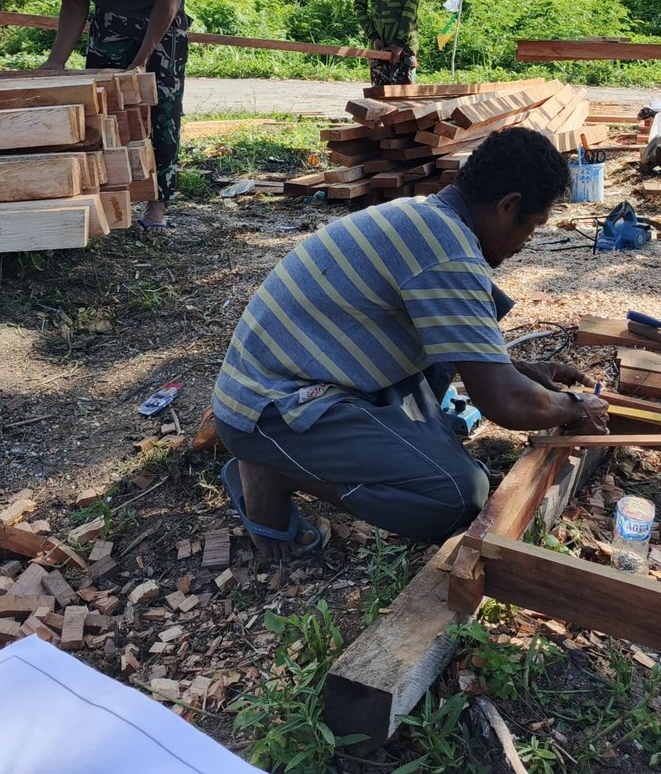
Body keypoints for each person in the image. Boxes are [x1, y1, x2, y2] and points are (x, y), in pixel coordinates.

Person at [210, 128, 609, 559]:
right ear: (508, 206)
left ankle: (324, 456)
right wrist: (573, 406)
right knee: (459, 496)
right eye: (533, 226)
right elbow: (503, 403)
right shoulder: (447, 253)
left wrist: (518, 371)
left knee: (453, 350)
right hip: (269, 407)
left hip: (291, 382)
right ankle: (275, 470)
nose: (527, 240)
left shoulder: (427, 217)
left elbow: (464, 342)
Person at [0, 0, 187, 229]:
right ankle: (109, 197)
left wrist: (142, 58)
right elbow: (73, 2)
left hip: (159, 10)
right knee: (102, 106)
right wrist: (56, 61)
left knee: (160, 106)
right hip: (110, 11)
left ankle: (158, 204)